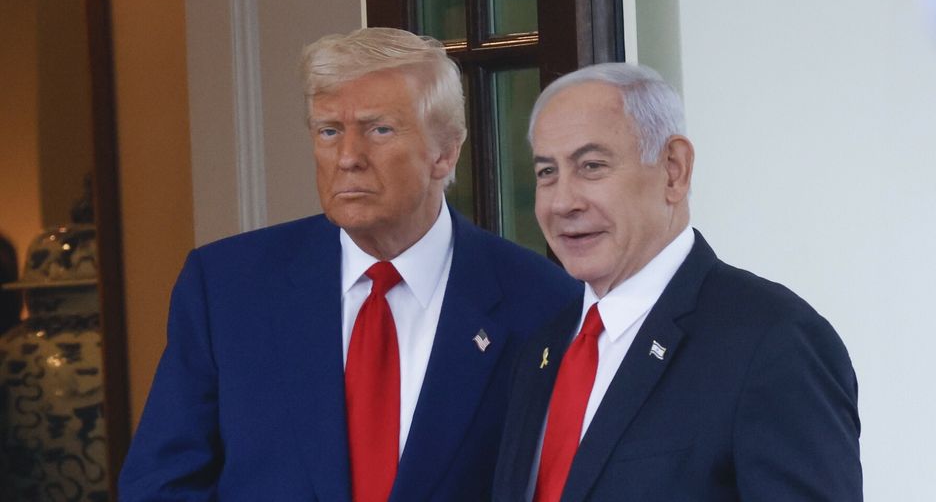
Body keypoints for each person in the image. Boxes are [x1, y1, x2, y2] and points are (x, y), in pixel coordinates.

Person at [118, 28, 580, 502]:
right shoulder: (226, 288)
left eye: (379, 129)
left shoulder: (544, 303)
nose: (348, 158)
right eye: (329, 131)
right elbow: (161, 485)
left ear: (445, 152)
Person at [493, 63, 862, 501]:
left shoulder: (773, 343)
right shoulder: (543, 347)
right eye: (546, 173)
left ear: (674, 170)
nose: (562, 202)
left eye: (591, 166)